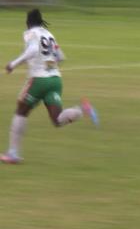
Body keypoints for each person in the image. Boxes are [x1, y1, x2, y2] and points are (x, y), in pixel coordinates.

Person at [2, 9, 98, 165]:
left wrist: (13, 64)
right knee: (57, 120)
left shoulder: (30, 33)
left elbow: (32, 50)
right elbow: (60, 57)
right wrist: (49, 66)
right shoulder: (49, 34)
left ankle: (13, 153)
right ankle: (82, 109)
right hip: (55, 80)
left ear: (28, 22)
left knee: (21, 110)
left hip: (39, 81)